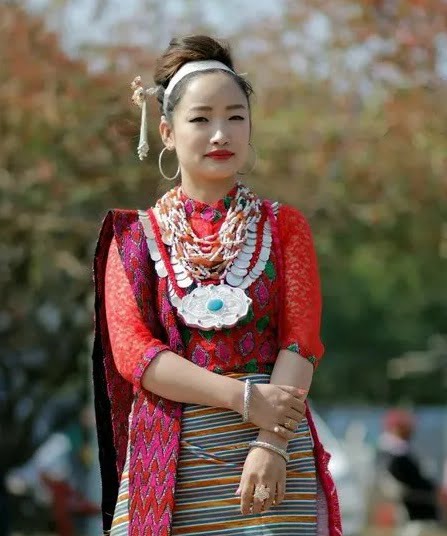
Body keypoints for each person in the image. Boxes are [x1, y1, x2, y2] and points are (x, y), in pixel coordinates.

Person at [92, 35, 341, 535]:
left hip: (273, 448)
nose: (220, 134)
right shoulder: (134, 239)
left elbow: (300, 341)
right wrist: (244, 400)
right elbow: (137, 355)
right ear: (166, 131)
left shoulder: (284, 227)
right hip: (170, 460)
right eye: (200, 119)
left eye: (235, 116)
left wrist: (271, 442)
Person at [376, 408, 443, 532]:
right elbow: (412, 479)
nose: (411, 431)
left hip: (412, 499)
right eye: (407, 427)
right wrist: (435, 490)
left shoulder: (386, 451)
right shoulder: (397, 454)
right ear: (396, 428)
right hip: (417, 504)